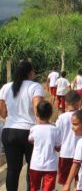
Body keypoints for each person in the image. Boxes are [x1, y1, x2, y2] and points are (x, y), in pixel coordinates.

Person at [0, 60, 44, 190]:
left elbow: (3, 113)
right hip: (29, 131)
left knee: (12, 170)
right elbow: (38, 111)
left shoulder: (6, 87)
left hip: (9, 131)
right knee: (32, 168)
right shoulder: (35, 87)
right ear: (30, 73)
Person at [28, 101, 61, 191]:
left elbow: (30, 140)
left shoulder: (34, 129)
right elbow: (58, 148)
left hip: (35, 164)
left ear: (37, 114)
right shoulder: (55, 130)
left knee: (34, 188)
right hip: (50, 165)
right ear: (51, 114)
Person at [55, 90, 81, 185]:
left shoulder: (62, 117)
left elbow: (57, 134)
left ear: (66, 103)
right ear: (79, 102)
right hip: (81, 153)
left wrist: (57, 146)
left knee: (65, 182)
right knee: (79, 181)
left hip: (65, 153)